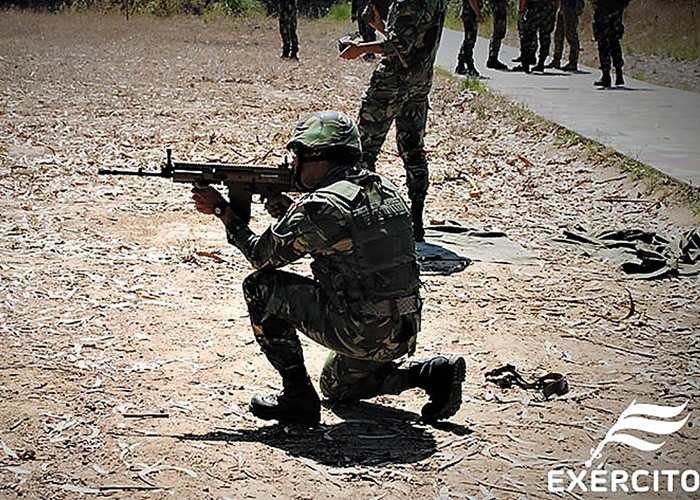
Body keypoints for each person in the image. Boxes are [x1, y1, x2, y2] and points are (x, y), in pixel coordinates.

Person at [191, 111, 466, 426]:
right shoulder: (382, 188)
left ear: (318, 156)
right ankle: (430, 372)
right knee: (336, 386)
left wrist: (221, 210)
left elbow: (260, 256)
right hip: (401, 329)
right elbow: (351, 240)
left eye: (299, 157)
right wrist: (291, 215)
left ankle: (296, 398)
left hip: (361, 331)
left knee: (260, 287)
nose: (294, 165)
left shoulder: (321, 207)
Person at [339, 0, 448, 242]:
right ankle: (416, 220)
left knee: (365, 151)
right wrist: (380, 25)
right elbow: (412, 39)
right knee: (413, 150)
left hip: (392, 84)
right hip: (419, 82)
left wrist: (359, 48)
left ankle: (372, 220)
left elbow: (398, 43)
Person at [513, 0, 560, 72]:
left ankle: (525, 64)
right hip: (550, 6)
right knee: (545, 35)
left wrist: (521, 11)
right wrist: (555, 8)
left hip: (535, 5)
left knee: (528, 34)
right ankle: (541, 63)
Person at [592, 0, 630, 87]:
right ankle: (619, 73)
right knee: (614, 41)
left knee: (603, 43)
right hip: (616, 8)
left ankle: (606, 76)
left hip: (603, 8)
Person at [547, 0, 584, 70]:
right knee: (559, 34)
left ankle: (573, 62)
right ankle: (556, 60)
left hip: (571, 6)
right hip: (564, 6)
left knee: (571, 35)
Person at [456, 0, 486, 77]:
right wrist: (478, 14)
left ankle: (461, 65)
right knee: (470, 41)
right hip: (470, 14)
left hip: (469, 13)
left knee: (468, 40)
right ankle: (470, 66)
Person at [485, 0, 510, 70]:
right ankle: (492, 58)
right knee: (499, 32)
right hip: (499, 6)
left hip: (499, 6)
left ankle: (493, 57)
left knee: (499, 32)